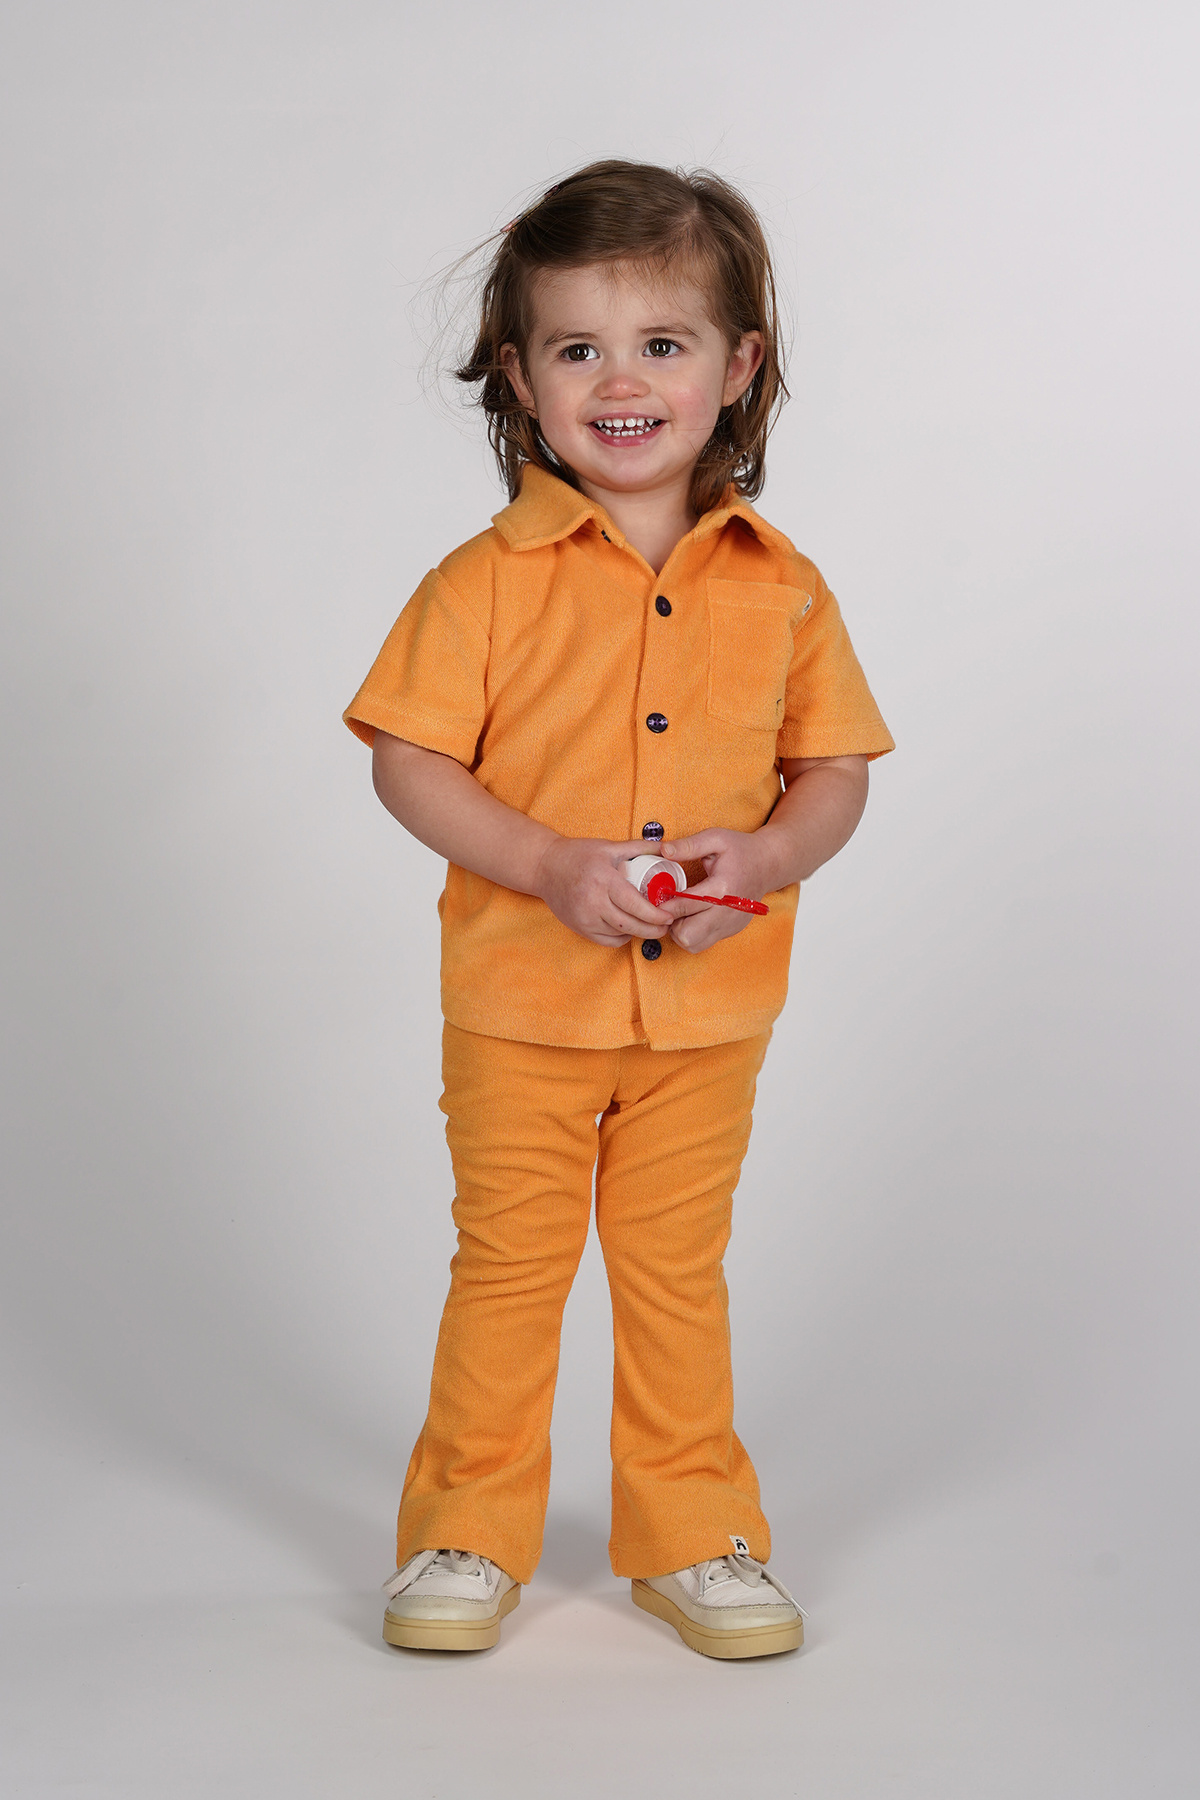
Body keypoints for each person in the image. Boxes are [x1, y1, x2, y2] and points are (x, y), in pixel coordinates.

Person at [344, 160, 894, 1660]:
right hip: (520, 1008)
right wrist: (544, 865)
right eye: (578, 348)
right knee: (511, 1268)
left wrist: (762, 864)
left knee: (673, 1276)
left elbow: (833, 777)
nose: (623, 380)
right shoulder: (481, 583)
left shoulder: (786, 588)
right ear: (521, 378)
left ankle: (694, 1535)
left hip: (707, 1015)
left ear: (739, 364)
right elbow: (407, 761)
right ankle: (467, 1527)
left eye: (663, 342)